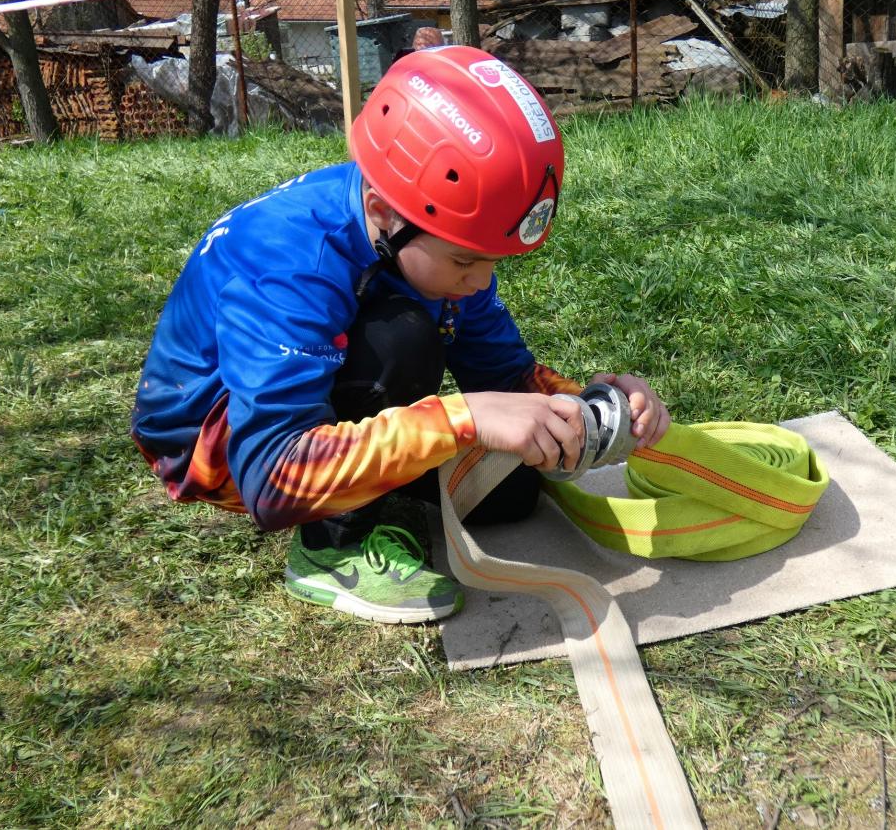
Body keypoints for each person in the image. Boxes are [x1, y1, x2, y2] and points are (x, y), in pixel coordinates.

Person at [131, 46, 670, 624]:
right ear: (383, 213)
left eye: (492, 261)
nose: (481, 281)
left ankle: (381, 484)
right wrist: (459, 419)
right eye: (465, 261)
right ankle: (331, 549)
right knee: (403, 339)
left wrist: (593, 408)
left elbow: (503, 373)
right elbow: (274, 478)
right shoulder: (289, 265)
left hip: (316, 397)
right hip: (218, 446)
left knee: (512, 491)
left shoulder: (420, 225)